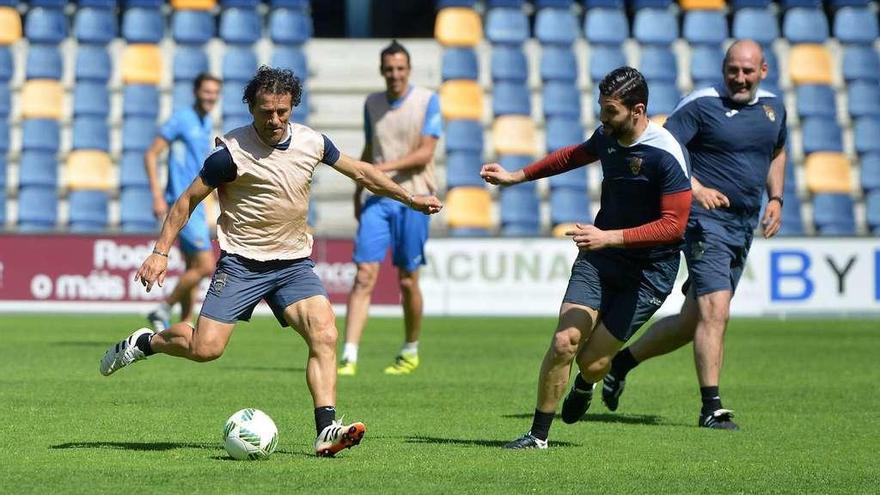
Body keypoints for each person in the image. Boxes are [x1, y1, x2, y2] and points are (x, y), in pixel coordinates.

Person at [99, 66, 443, 457]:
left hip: (293, 264)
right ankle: (147, 342)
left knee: (325, 332)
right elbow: (187, 201)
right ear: (252, 107)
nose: (275, 120)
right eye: (266, 112)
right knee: (205, 348)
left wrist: (410, 199)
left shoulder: (313, 142)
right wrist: (160, 252)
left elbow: (363, 172)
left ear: (292, 106)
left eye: (282, 111)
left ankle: (326, 428)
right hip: (242, 263)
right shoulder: (229, 154)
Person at [480, 67, 692, 449]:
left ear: (637, 110)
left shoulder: (666, 154)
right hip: (601, 257)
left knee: (592, 361)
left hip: (650, 272)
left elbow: (674, 227)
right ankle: (538, 435)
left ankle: (587, 383)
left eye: (609, 110)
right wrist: (517, 176)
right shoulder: (608, 136)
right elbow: (571, 157)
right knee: (565, 341)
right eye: (600, 108)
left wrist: (608, 236)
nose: (602, 117)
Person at [601, 40, 787, 431]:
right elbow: (665, 148)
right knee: (716, 310)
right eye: (733, 69)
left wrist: (777, 197)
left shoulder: (774, 109)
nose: (739, 77)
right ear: (723, 68)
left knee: (693, 322)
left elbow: (777, 150)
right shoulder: (701, 104)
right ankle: (711, 408)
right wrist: (695, 188)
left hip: (743, 223)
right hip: (703, 222)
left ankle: (622, 362)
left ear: (763, 72)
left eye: (747, 71)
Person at [337, 40, 441, 377]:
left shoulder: (428, 101)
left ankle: (410, 349)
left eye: (400, 68)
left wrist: (380, 170)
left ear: (408, 70)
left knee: (408, 280)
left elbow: (425, 153)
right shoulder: (372, 103)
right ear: (382, 71)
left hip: (416, 197)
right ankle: (349, 355)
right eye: (389, 69)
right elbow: (370, 148)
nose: (394, 74)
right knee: (364, 275)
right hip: (378, 199)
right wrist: (359, 186)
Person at [143, 73, 222, 331]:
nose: (210, 97)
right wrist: (157, 194)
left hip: (198, 204)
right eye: (206, 91)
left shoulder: (206, 121)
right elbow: (151, 154)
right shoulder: (181, 119)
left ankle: (186, 324)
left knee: (192, 267)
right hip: (182, 203)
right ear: (196, 92)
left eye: (214, 92)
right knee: (206, 265)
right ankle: (163, 309)